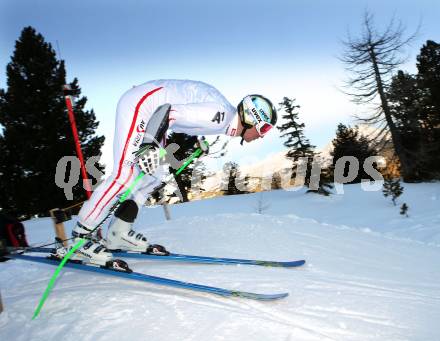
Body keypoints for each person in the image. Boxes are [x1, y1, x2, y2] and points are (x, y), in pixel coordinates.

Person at [70, 79, 277, 268]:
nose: (262, 135)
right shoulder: (220, 116)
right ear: (251, 118)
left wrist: (197, 138)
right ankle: (78, 240)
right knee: (125, 174)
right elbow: (168, 112)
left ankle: (118, 233)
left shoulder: (224, 118)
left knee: (154, 176)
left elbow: (187, 114)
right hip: (142, 106)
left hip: (154, 114)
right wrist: (149, 146)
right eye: (264, 128)